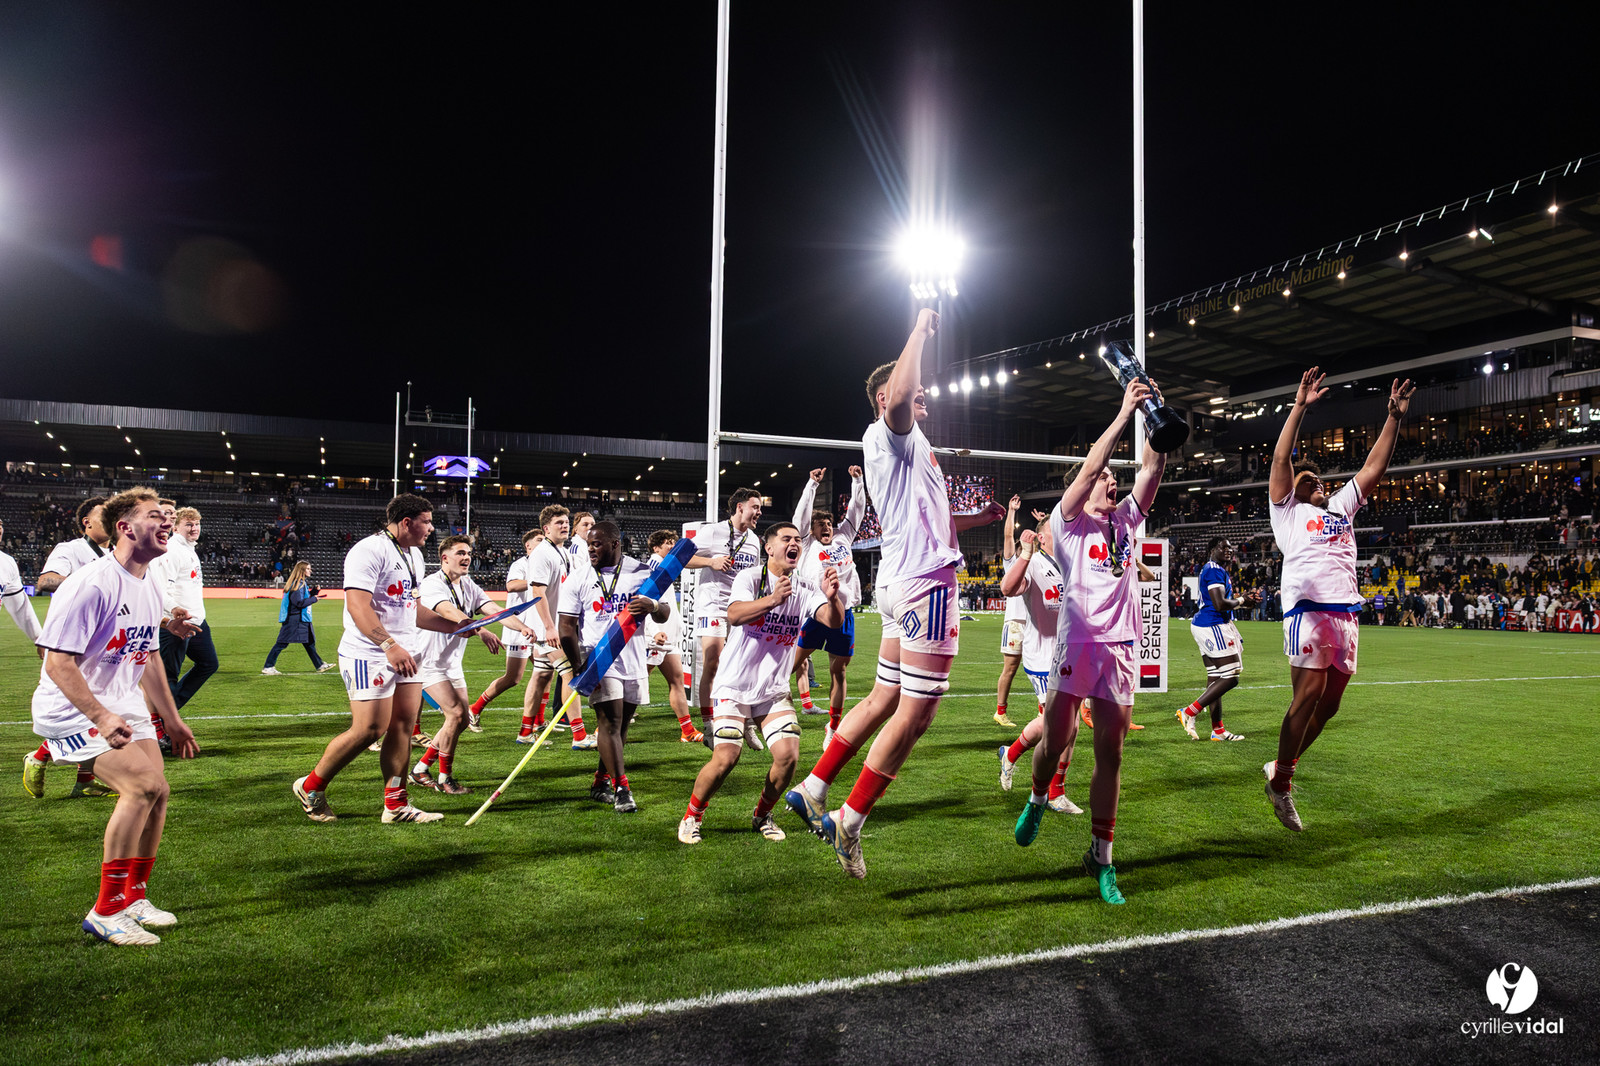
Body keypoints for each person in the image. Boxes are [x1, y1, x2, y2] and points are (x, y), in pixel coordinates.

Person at [786, 308, 1004, 879]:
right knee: (917, 712)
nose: (922, 393)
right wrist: (920, 331)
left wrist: (976, 518)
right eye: (908, 390)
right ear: (883, 399)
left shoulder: (911, 446)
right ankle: (848, 821)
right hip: (924, 585)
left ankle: (813, 787)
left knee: (883, 699)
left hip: (901, 579)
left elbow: (929, 518)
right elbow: (903, 392)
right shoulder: (889, 430)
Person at [1010, 378, 1169, 906]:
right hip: (1077, 645)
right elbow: (1084, 473)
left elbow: (1151, 468)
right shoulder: (1070, 522)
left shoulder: (1125, 522)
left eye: (1111, 478)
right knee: (1055, 742)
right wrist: (1123, 414)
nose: (1109, 483)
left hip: (1121, 649)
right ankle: (1037, 798)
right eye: (1103, 477)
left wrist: (1157, 413)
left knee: (1111, 754)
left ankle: (1101, 857)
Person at [31, 487, 199, 945]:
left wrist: (172, 719)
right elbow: (57, 663)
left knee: (159, 792)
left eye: (169, 515)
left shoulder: (148, 581)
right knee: (141, 786)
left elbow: (146, 658)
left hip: (121, 702)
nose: (167, 521)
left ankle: (133, 897)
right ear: (124, 528)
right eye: (155, 516)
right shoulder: (91, 582)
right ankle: (105, 910)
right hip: (72, 707)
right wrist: (102, 717)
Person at [1264, 368, 1414, 832]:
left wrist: (1392, 418)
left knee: (1329, 708)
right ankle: (1284, 785)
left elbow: (1373, 468)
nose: (1317, 483)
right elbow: (1281, 456)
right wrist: (1300, 407)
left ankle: (1279, 771)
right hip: (1307, 611)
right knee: (1307, 697)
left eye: (1319, 479)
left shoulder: (1340, 510)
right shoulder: (1288, 512)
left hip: (1346, 615)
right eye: (1308, 479)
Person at [291, 494, 464, 824]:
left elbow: (411, 610)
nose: (431, 528)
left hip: (406, 652)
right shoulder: (368, 550)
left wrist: (455, 625)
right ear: (406, 522)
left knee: (401, 728)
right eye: (426, 522)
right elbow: (358, 606)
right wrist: (389, 645)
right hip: (369, 652)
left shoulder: (413, 554)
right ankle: (310, 786)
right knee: (369, 729)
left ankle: (396, 805)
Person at [679, 522, 842, 845]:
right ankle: (692, 815)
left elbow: (832, 621)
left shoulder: (806, 587)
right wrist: (772, 600)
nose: (794, 543)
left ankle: (762, 814)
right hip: (733, 686)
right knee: (726, 756)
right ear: (769, 548)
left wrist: (833, 598)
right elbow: (735, 614)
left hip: (772, 689)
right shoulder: (751, 578)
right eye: (786, 539)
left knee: (788, 756)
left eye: (798, 539)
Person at [558, 521, 669, 813]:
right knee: (609, 721)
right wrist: (581, 667)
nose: (591, 549)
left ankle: (599, 782)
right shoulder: (578, 577)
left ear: (615, 544)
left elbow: (664, 611)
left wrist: (652, 606)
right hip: (598, 658)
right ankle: (622, 789)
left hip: (633, 656)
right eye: (588, 545)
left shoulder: (642, 571)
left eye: (597, 544)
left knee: (620, 727)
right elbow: (566, 628)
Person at [411, 535, 535, 795]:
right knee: (456, 714)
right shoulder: (432, 584)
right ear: (445, 558)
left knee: (462, 720)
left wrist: (521, 626)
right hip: (428, 662)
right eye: (460, 553)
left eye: (468, 553)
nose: (466, 557)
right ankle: (445, 778)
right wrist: (480, 631)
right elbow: (447, 611)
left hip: (451, 663)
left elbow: (493, 610)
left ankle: (421, 769)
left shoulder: (468, 584)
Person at [23, 496, 126, 800]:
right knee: (83, 712)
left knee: (108, 709)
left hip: (106, 646)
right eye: (104, 514)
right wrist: (87, 587)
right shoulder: (70, 550)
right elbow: (46, 580)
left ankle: (85, 780)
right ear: (87, 522)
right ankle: (39, 757)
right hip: (73, 643)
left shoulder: (117, 555)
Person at [994, 516, 1082, 814]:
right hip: (1044, 657)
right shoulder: (1033, 563)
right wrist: (1025, 553)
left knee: (1066, 724)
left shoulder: (1070, 563)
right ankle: (1054, 791)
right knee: (1065, 725)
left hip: (1069, 654)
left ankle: (1011, 754)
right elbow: (1007, 588)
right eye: (1056, 531)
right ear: (1042, 538)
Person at [790, 465, 866, 747]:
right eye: (821, 526)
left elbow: (856, 510)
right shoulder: (807, 543)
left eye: (829, 525)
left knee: (839, 671)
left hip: (843, 614)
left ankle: (833, 726)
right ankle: (765, 707)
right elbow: (799, 521)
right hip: (815, 612)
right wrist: (812, 486)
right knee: (791, 663)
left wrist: (857, 480)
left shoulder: (844, 537)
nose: (827, 528)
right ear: (812, 531)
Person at [688, 487, 766, 747]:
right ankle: (709, 724)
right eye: (755, 506)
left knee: (745, 664)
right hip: (713, 606)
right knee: (713, 661)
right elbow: (680, 558)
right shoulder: (712, 531)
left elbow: (755, 576)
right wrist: (710, 562)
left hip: (741, 608)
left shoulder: (755, 540)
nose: (759, 512)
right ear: (740, 507)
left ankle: (747, 723)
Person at [520, 506, 595, 749]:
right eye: (558, 523)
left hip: (548, 627)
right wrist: (550, 628)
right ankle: (580, 736)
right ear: (546, 528)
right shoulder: (543, 553)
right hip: (548, 629)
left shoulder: (559, 551)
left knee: (541, 675)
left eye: (565, 522)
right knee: (570, 674)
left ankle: (525, 731)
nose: (564, 525)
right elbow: (537, 591)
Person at [466, 529, 542, 731]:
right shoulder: (521, 564)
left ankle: (538, 721)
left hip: (538, 626)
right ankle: (474, 709)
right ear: (528, 546)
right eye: (539, 540)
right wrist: (538, 581)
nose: (543, 544)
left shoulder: (545, 563)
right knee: (513, 678)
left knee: (545, 672)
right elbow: (511, 585)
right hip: (519, 627)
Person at [1175, 537, 1249, 742]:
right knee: (1232, 675)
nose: (1228, 550)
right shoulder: (1214, 569)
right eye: (1223, 547)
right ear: (1211, 550)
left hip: (1207, 624)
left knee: (1216, 678)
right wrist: (1242, 601)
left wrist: (1243, 602)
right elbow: (1218, 603)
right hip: (1212, 624)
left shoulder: (1212, 569)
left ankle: (1218, 730)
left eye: (1230, 547)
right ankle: (1189, 711)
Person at [153, 508, 219, 723]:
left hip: (197, 621)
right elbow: (160, 588)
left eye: (197, 524)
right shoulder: (171, 550)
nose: (194, 528)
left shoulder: (189, 549)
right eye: (189, 524)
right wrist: (172, 610)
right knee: (169, 676)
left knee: (209, 663)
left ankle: (167, 713)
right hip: (176, 624)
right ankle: (162, 726)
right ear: (175, 527)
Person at [643, 529, 704, 743]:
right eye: (668, 543)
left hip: (667, 636)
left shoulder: (666, 568)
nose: (672, 546)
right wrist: (653, 631)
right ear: (655, 547)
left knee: (676, 680)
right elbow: (644, 600)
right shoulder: (653, 567)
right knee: (635, 684)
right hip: (655, 637)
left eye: (673, 542)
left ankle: (687, 731)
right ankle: (604, 729)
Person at [262, 561, 333, 673]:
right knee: (282, 643)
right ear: (302, 570)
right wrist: (314, 599)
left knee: (309, 642)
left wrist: (315, 592)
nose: (310, 571)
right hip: (295, 619)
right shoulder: (297, 585)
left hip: (300, 619)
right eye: (308, 569)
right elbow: (299, 603)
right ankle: (268, 666)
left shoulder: (300, 584)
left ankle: (319, 665)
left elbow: (303, 598)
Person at [994, 495, 1026, 728]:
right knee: (1010, 669)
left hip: (1036, 623)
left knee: (1046, 667)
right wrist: (1011, 511)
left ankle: (1042, 710)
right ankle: (1000, 712)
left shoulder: (1039, 563)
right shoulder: (1012, 563)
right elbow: (1008, 535)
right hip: (1015, 622)